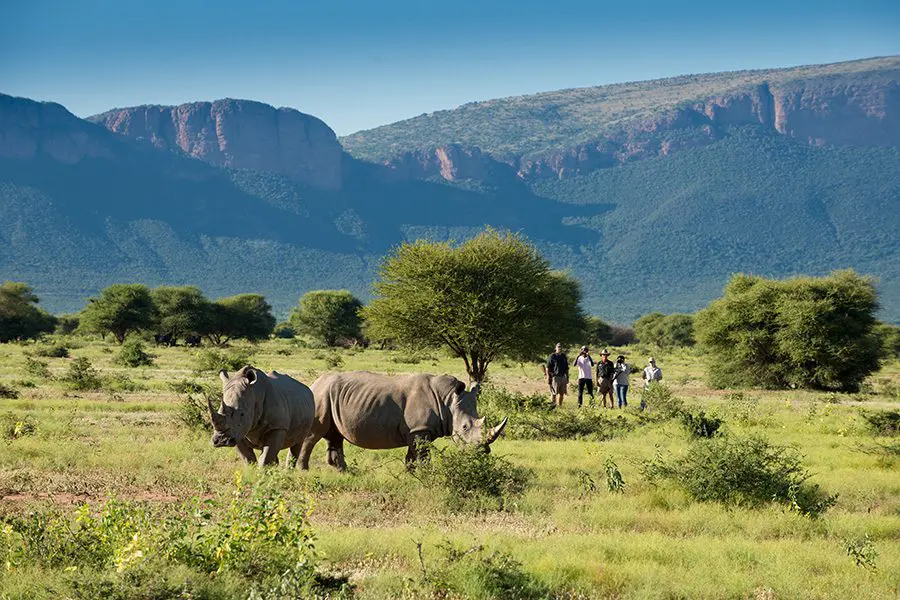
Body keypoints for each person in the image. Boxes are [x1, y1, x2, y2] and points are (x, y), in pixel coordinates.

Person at [546, 342, 569, 407]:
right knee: (554, 393)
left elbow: (567, 368)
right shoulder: (552, 356)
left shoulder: (564, 356)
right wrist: (548, 377)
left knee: (562, 393)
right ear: (555, 348)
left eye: (560, 347)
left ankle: (560, 406)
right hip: (555, 377)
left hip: (563, 377)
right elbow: (548, 367)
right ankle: (553, 406)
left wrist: (567, 377)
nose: (559, 348)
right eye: (558, 347)